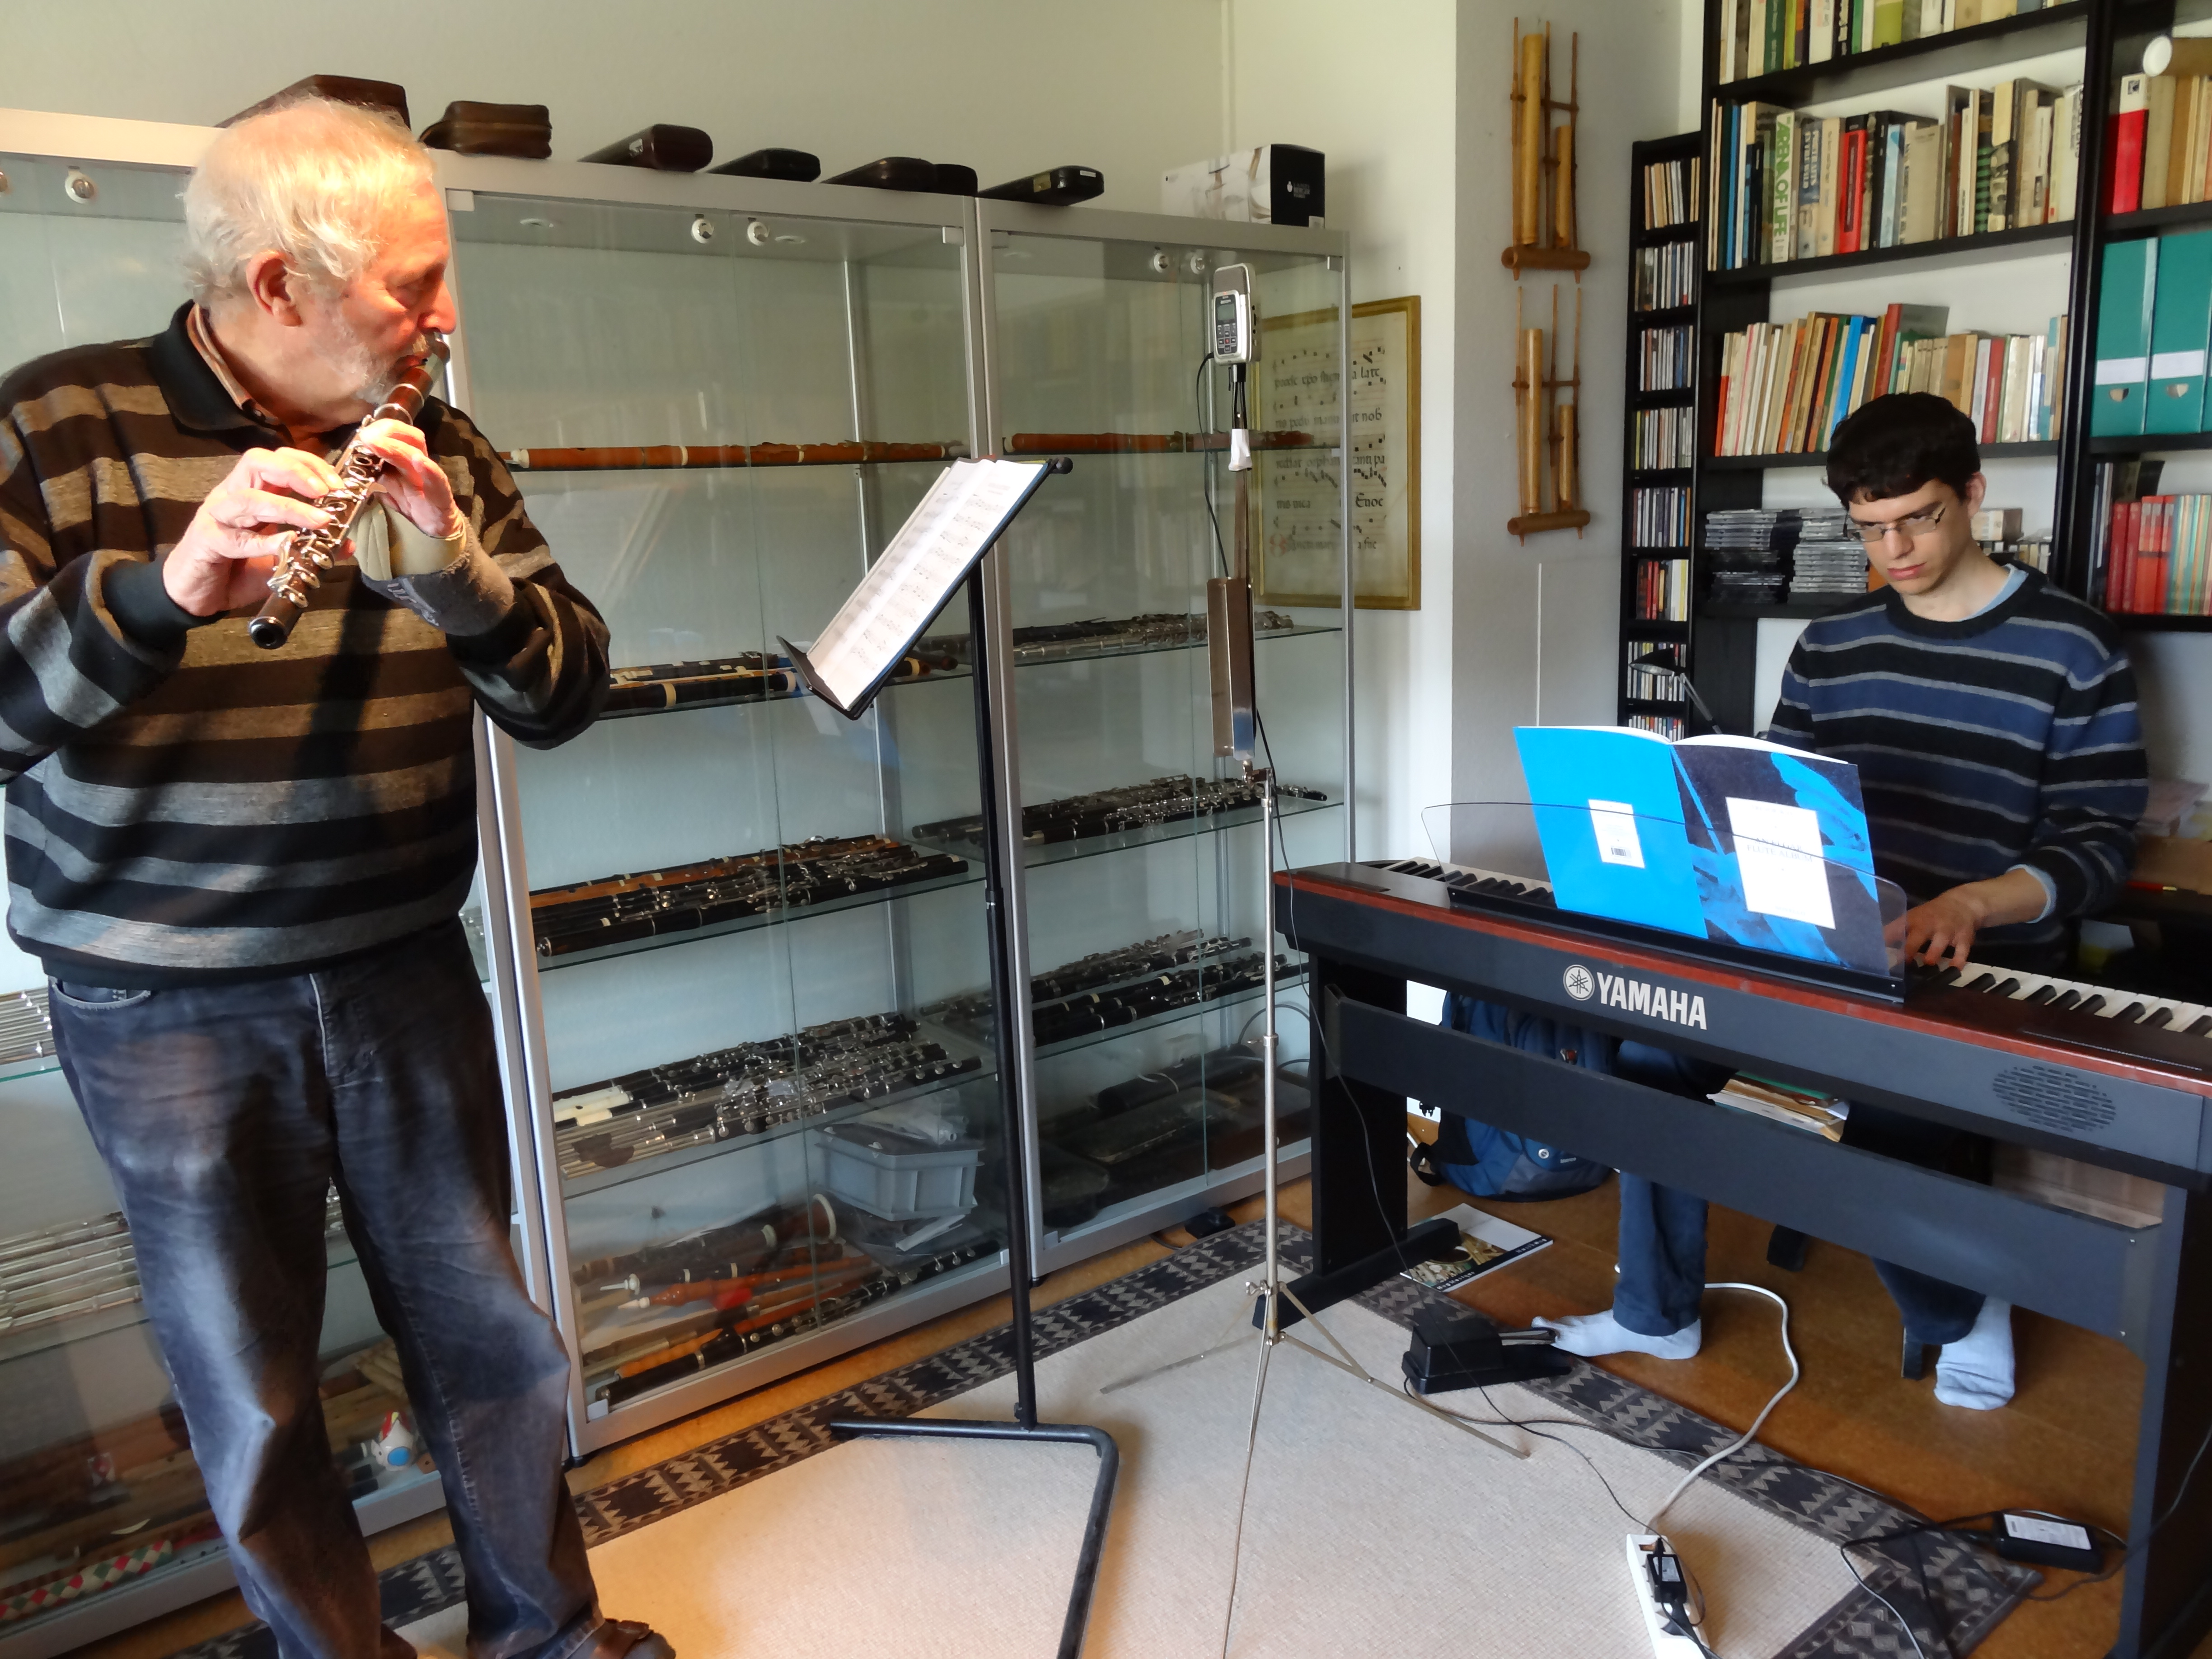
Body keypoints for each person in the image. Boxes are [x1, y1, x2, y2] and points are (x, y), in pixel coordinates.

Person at [0, 98, 670, 1659]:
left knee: (490, 1343)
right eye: (412, 284)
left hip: (401, 966)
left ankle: (547, 1637)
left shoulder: (440, 439)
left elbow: (564, 694)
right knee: (251, 1389)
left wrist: (457, 576)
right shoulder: (51, 426)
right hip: (159, 1005)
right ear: (278, 285)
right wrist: (159, 596)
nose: (447, 317)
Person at [1534, 392, 2148, 1411]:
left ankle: (1962, 1309)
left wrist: (1971, 905)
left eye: (1918, 519)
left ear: (1974, 494)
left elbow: (2098, 842)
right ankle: (1657, 1312)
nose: (1894, 550)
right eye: (1869, 529)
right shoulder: (1832, 642)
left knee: (1890, 1114)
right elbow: (1769, 802)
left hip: (1973, 963)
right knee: (1651, 1057)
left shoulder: (2073, 647)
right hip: (1822, 943)